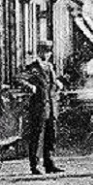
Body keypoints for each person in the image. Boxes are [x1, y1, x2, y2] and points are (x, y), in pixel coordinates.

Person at [22, 40, 64, 175]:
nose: (46, 54)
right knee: (37, 136)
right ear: (39, 52)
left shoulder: (50, 67)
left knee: (51, 135)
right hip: (38, 106)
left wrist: (58, 84)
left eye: (48, 52)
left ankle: (49, 163)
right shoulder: (32, 68)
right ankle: (35, 165)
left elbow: (53, 83)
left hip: (51, 106)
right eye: (44, 51)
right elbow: (20, 78)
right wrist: (30, 86)